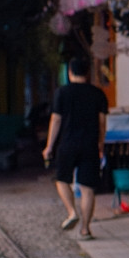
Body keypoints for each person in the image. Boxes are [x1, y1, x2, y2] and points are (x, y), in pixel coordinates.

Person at [44, 55, 108, 239]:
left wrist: (49, 146)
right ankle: (85, 229)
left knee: (62, 180)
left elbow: (56, 120)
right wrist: (101, 144)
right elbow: (102, 123)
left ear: (70, 72)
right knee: (88, 188)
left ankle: (72, 212)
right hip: (90, 145)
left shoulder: (61, 93)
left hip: (67, 144)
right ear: (88, 73)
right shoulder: (98, 94)